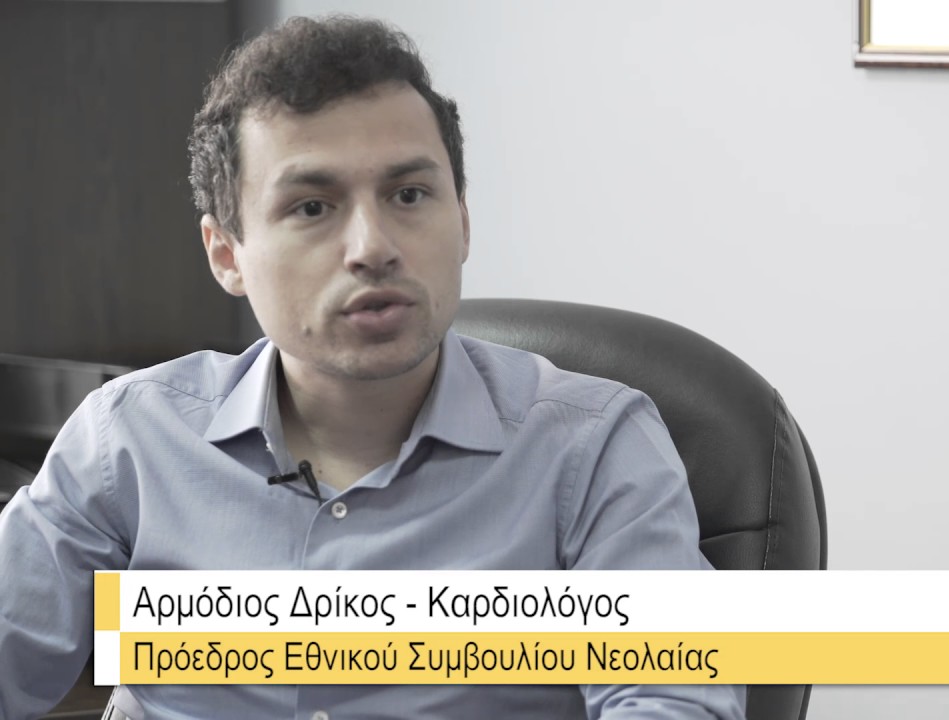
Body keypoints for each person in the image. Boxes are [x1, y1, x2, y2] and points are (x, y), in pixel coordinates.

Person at [0, 15, 745, 720]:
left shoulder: (595, 450)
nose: (373, 247)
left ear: (463, 222)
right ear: (227, 254)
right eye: (312, 207)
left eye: (409, 194)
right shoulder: (129, 441)